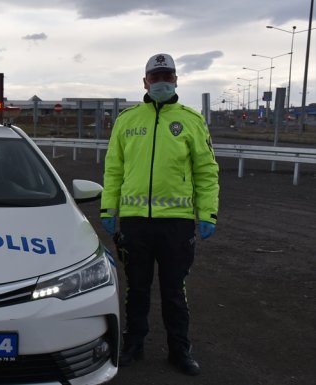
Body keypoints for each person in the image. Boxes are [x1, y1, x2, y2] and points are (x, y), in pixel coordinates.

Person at [100, 53, 219, 376]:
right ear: (145, 82)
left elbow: (206, 171)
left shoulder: (191, 120)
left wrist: (207, 213)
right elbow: (114, 170)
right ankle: (134, 344)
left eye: (167, 77)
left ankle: (179, 350)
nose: (161, 82)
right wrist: (108, 208)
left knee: (174, 291)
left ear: (177, 80)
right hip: (136, 222)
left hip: (177, 225)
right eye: (156, 78)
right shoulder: (128, 120)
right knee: (136, 288)